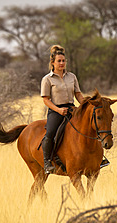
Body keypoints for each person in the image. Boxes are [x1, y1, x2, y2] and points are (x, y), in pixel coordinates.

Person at [40, 45, 85, 173]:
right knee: (50, 132)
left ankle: (98, 157)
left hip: (72, 108)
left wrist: (85, 105)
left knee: (89, 125)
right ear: (52, 63)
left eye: (63, 61)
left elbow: (78, 94)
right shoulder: (47, 79)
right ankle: (47, 161)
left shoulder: (72, 76)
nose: (61, 63)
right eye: (59, 61)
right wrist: (59, 110)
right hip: (56, 110)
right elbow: (46, 100)